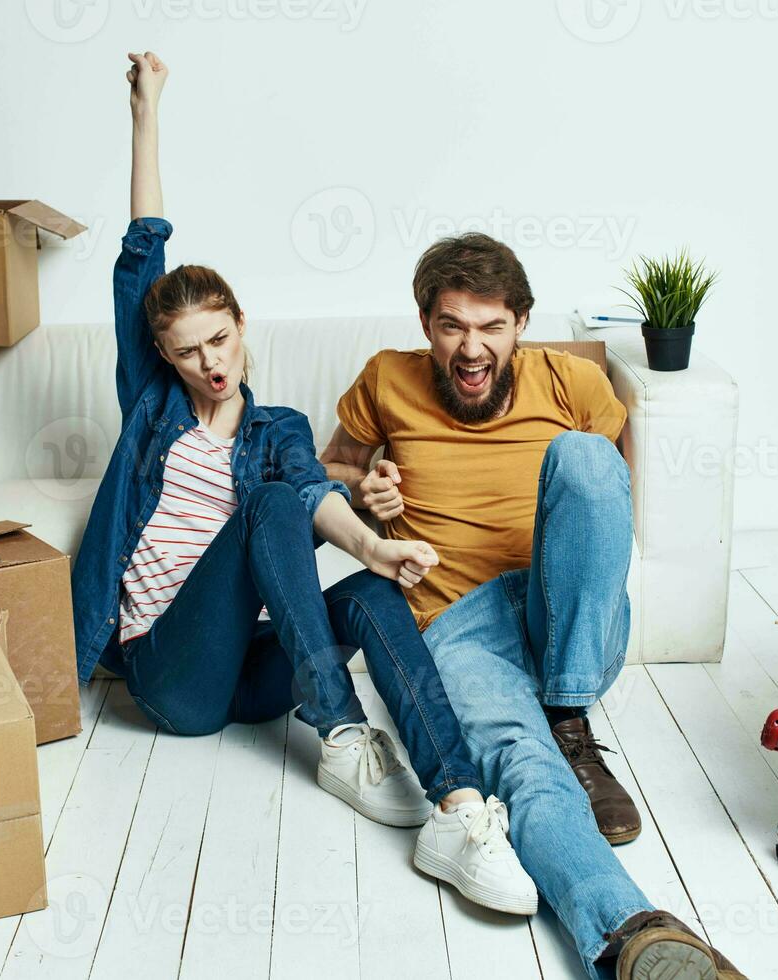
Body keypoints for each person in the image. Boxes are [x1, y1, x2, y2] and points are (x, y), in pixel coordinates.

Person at [70, 51, 537, 916]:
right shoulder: (151, 408)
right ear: (163, 357)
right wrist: (147, 111)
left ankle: (458, 809)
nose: (209, 364)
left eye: (219, 340)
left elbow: (321, 500)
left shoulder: (276, 428)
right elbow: (142, 257)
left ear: (242, 326)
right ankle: (342, 732)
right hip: (170, 676)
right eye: (187, 350)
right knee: (270, 502)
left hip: (250, 676)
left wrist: (376, 543)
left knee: (368, 593)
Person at [321, 233, 747, 978]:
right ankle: (633, 934)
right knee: (527, 776)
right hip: (456, 628)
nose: (471, 346)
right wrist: (360, 490)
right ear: (426, 326)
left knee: (584, 458)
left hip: (563, 612)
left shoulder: (570, 384)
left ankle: (568, 703)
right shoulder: (385, 379)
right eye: (452, 325)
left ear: (520, 322)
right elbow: (330, 466)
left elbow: (608, 509)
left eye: (490, 326)